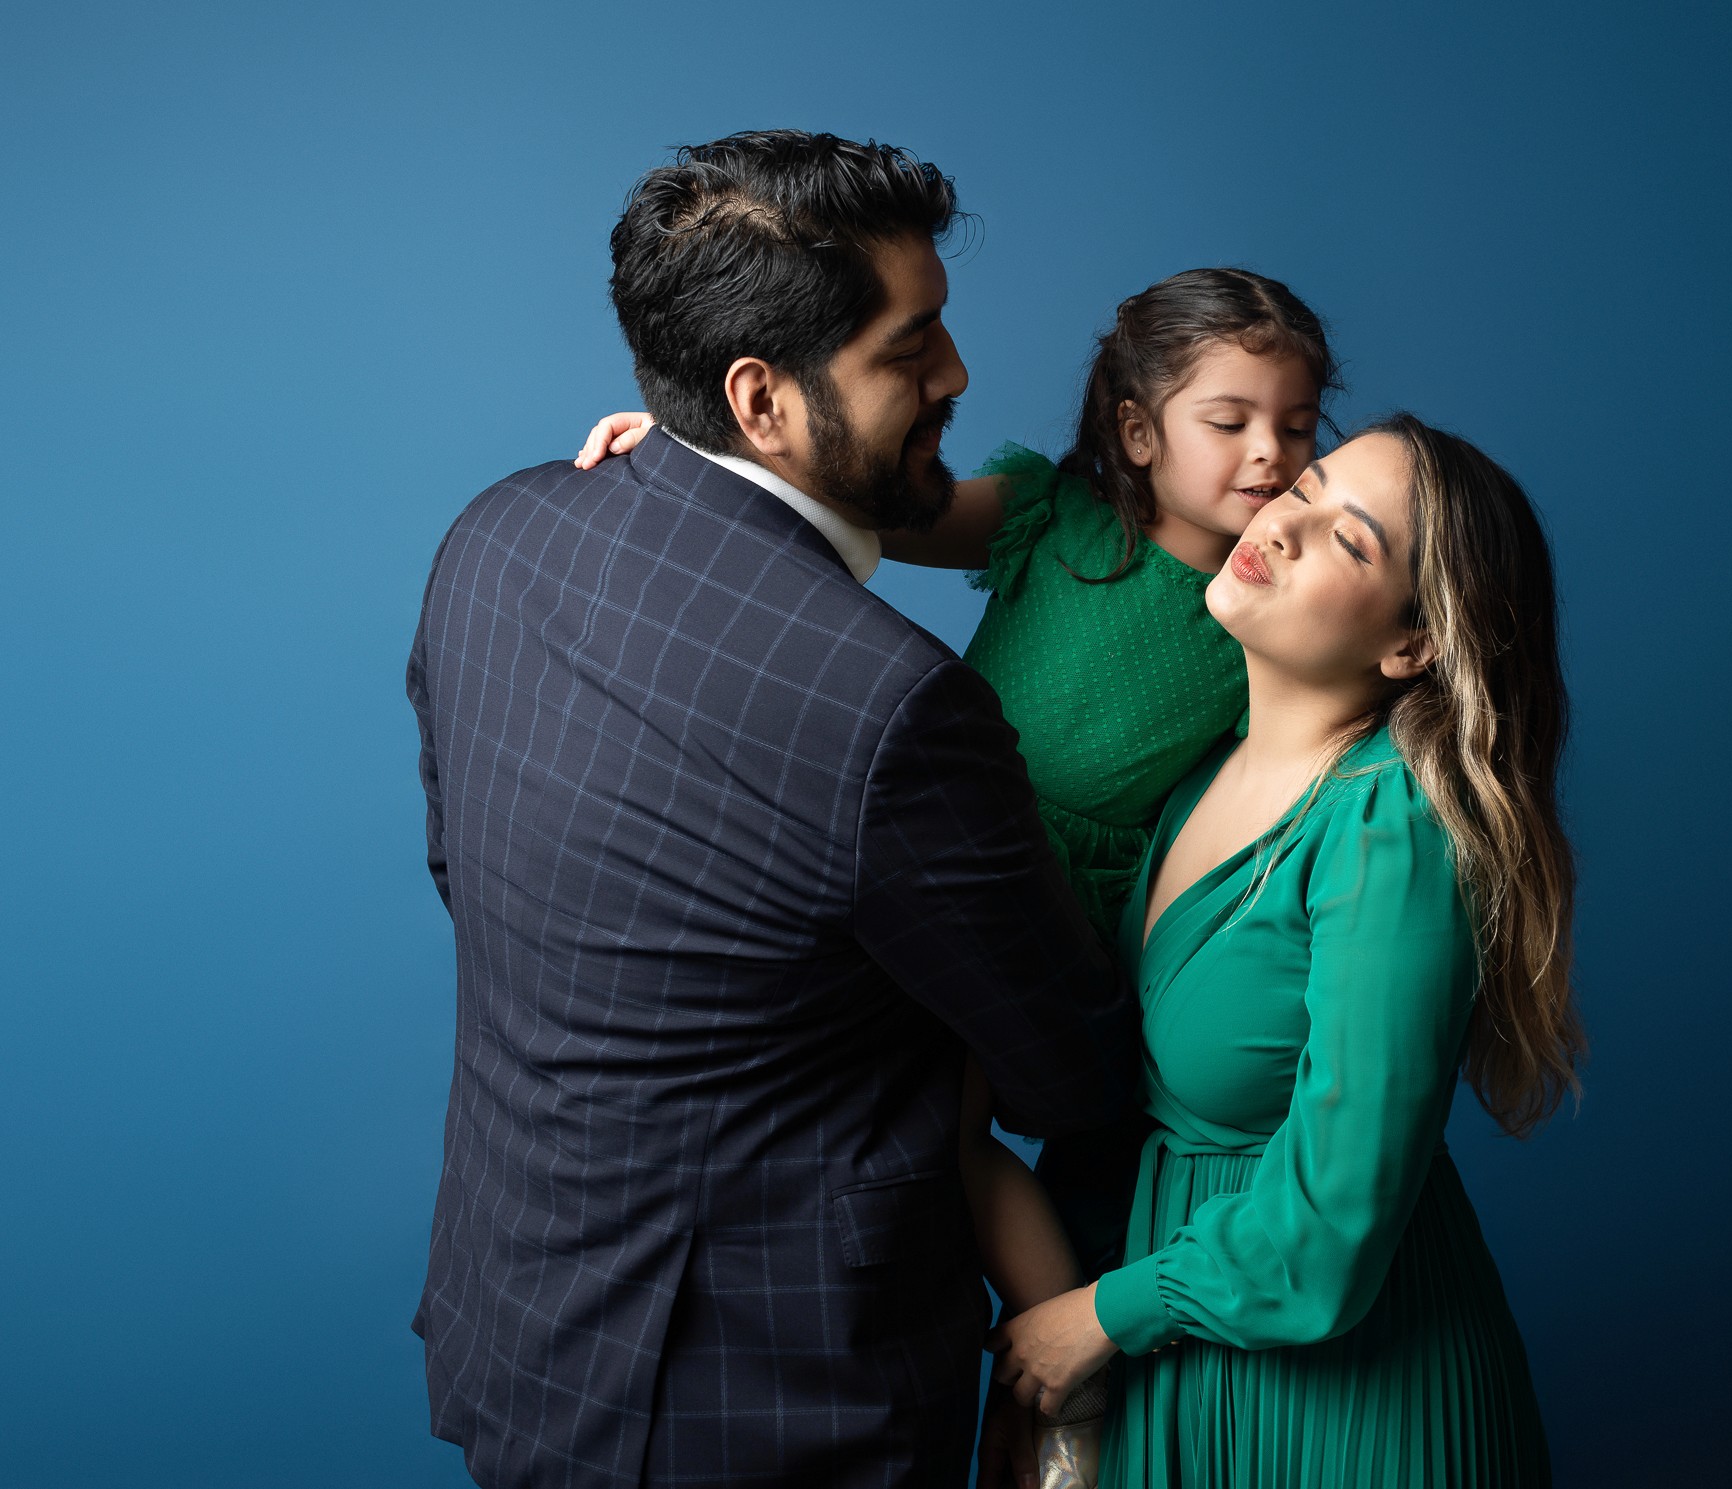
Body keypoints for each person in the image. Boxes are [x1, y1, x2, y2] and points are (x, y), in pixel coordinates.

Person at [405, 130, 1137, 1489]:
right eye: (910, 347)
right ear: (763, 400)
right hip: (778, 1410)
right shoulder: (891, 706)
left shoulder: (497, 533)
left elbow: (474, 875)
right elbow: (1071, 1071)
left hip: (524, 1346)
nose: (958, 374)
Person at [576, 268, 1338, 1480]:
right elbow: (859, 506)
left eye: (1296, 428)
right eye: (1230, 421)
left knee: (966, 1127)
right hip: (931, 835)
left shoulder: (1282, 602)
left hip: (1059, 895)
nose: (1269, 454)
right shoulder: (1054, 518)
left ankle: (1066, 1394)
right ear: (1138, 432)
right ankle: (1040, 1372)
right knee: (902, 1116)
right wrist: (693, 460)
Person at [985, 416, 1582, 1487]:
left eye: (1348, 540)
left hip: (1346, 1405)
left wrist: (1101, 1317)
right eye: (1301, 488)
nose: (1283, 522)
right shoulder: (1190, 773)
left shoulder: (1390, 828)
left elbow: (1333, 1225)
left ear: (1410, 646)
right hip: (1171, 1355)